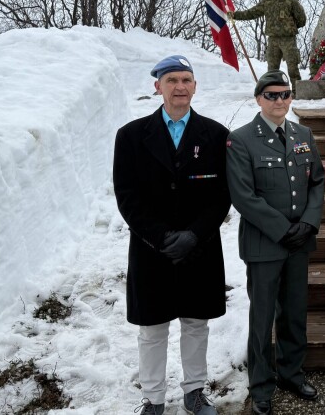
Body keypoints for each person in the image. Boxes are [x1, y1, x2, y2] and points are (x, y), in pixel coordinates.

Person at [113, 55, 230, 415]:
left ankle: (195, 390)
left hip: (200, 247)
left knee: (196, 322)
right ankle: (153, 397)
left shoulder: (216, 135)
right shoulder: (131, 136)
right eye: (172, 80)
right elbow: (127, 196)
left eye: (186, 80)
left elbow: (223, 194)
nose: (180, 87)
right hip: (152, 249)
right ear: (157, 86)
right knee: (152, 326)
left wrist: (194, 235)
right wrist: (161, 237)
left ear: (195, 86)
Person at [226, 70, 325, 415]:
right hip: (265, 244)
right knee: (263, 316)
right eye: (272, 95)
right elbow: (243, 195)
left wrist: (310, 223)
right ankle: (261, 384)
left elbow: (316, 182)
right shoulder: (241, 139)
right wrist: (283, 229)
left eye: (285, 95)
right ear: (258, 99)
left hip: (299, 242)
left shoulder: (303, 134)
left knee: (295, 312)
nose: (280, 101)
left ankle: (291, 373)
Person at [231, 0, 307, 82]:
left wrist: (289, 28)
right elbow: (252, 13)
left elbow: (302, 19)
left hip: (288, 40)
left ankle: (297, 93)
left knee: (292, 69)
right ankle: (273, 92)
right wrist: (235, 15)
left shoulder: (291, 1)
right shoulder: (267, 1)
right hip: (273, 40)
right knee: (272, 70)